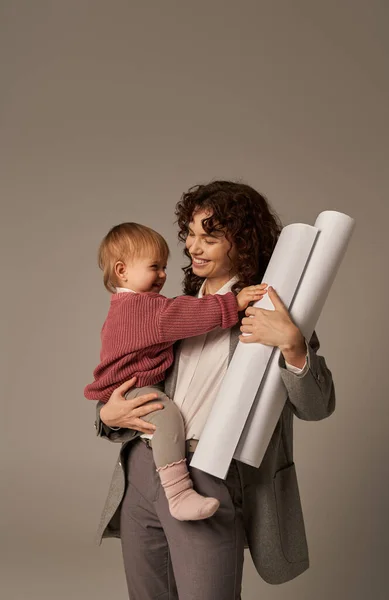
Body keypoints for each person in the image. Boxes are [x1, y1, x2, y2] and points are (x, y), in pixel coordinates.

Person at [93, 181, 336, 600]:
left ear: (242, 242)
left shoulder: (273, 309)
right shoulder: (174, 308)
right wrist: (106, 417)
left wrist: (293, 344)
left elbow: (318, 406)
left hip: (210, 476)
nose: (193, 247)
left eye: (210, 236)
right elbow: (125, 375)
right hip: (141, 472)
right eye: (190, 234)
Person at [84, 221, 266, 521]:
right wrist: (235, 301)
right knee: (166, 414)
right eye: (154, 267)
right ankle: (179, 494)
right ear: (121, 270)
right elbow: (189, 314)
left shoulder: (123, 305)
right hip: (134, 389)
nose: (163, 275)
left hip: (127, 389)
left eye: (164, 267)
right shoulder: (148, 309)